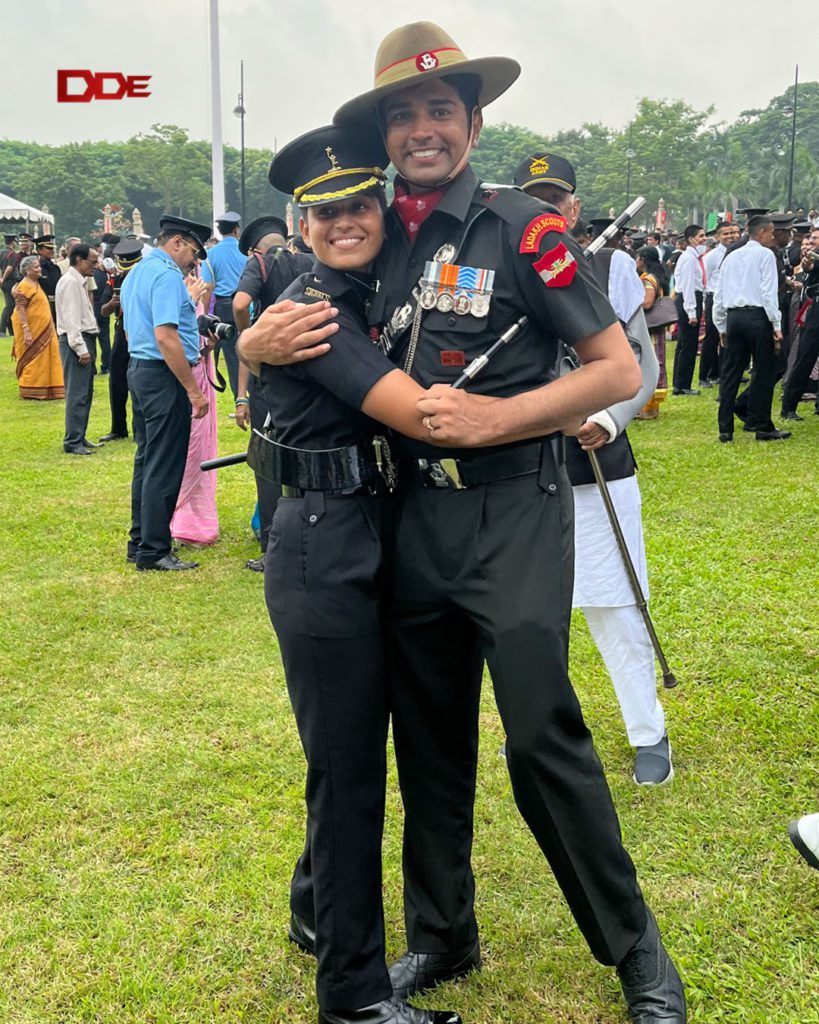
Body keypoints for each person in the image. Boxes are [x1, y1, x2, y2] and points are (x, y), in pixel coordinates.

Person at [242, 21, 685, 1024]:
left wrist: (499, 416)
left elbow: (621, 370)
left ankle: (637, 956)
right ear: (384, 132)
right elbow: (308, 343)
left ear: (474, 122)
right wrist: (253, 344)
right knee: (428, 742)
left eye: (440, 110)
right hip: (409, 520)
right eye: (404, 114)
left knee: (543, 738)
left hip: (514, 512)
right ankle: (442, 932)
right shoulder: (371, 233)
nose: (423, 130)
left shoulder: (521, 225)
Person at [261, 123, 465, 1024]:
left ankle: (317, 909)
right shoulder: (314, 312)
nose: (344, 221)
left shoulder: (374, 290)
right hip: (322, 543)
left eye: (357, 204)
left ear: (382, 206)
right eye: (323, 211)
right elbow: (415, 415)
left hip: (377, 536)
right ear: (300, 225)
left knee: (349, 755)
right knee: (347, 771)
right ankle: (351, 995)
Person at [513, 154, 671, 785]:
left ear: (573, 209)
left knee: (614, 603)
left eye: (557, 199)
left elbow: (643, 369)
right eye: (535, 199)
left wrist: (604, 418)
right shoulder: (502, 271)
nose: (547, 210)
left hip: (595, 459)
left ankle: (647, 732)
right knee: (527, 610)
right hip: (524, 464)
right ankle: (537, 729)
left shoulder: (609, 269)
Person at [121, 215, 211, 570]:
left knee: (146, 460)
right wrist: (193, 390)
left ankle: (141, 540)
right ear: (176, 243)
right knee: (164, 462)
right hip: (163, 375)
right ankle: (154, 550)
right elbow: (166, 336)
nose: (194, 261)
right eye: (192, 251)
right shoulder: (166, 276)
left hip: (141, 370)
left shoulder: (139, 272)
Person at [232, 215, 313, 571]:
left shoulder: (260, 263)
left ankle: (271, 546)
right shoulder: (307, 260)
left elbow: (238, 304)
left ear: (254, 249)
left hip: (270, 374)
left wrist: (249, 333)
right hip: (309, 373)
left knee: (267, 460)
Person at [713, 215, 790, 442]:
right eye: (772, 232)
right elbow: (768, 292)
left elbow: (719, 294)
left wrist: (721, 326)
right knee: (763, 371)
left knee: (731, 374)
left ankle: (725, 428)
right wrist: (776, 324)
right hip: (758, 317)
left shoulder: (731, 256)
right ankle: (762, 425)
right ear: (763, 232)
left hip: (734, 317)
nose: (773, 237)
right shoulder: (766, 255)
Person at [170, 272, 220, 548]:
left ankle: (200, 520)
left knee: (202, 449)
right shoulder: (176, 297)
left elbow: (196, 346)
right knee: (189, 450)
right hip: (186, 383)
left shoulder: (196, 300)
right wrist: (189, 301)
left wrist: (209, 345)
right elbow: (172, 340)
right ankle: (179, 519)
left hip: (201, 376)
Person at [55, 244, 100, 454]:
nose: (96, 265)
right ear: (79, 260)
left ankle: (79, 436)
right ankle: (73, 441)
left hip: (85, 338)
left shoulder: (78, 281)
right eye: (92, 261)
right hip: (77, 341)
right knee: (77, 393)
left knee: (86, 392)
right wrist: (80, 348)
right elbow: (71, 320)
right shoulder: (70, 282)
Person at [98, 239, 143, 441]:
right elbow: (103, 310)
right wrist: (112, 302)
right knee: (116, 382)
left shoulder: (146, 277)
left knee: (139, 383)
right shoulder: (116, 280)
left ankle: (139, 428)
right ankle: (118, 428)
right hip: (121, 335)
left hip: (141, 334)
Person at [200, 210, 245, 398]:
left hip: (224, 308)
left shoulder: (211, 255)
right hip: (247, 305)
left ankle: (240, 399)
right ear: (236, 230)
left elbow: (208, 288)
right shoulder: (247, 252)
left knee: (232, 358)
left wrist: (205, 315)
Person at [10, 254, 64, 400]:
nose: (40, 269)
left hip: (45, 328)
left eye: (39, 266)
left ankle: (49, 388)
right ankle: (31, 388)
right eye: (36, 267)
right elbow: (20, 308)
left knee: (48, 357)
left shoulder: (35, 283)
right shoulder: (25, 285)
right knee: (34, 359)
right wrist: (26, 329)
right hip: (32, 330)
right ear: (27, 270)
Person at [780, 226, 819, 421]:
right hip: (816, 312)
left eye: (816, 239)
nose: (813, 242)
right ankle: (788, 405)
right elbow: (807, 266)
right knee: (805, 357)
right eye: (812, 238)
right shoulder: (811, 256)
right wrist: (808, 261)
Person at [634, 246, 671, 419]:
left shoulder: (648, 278)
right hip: (657, 326)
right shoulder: (658, 276)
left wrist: (630, 302)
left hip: (649, 327)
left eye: (637, 258)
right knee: (657, 361)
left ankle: (647, 409)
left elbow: (647, 303)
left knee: (648, 362)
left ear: (643, 259)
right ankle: (652, 408)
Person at [672, 224, 706, 395]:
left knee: (684, 343)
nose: (704, 239)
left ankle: (680, 383)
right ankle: (682, 384)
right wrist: (691, 312)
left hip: (692, 299)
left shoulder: (694, 258)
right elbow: (688, 286)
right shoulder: (689, 258)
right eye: (701, 236)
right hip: (689, 300)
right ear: (692, 239)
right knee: (688, 345)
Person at [700, 221, 735, 388]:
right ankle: (704, 375)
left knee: (728, 337)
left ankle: (722, 372)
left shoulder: (738, 253)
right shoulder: (712, 256)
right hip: (714, 297)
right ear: (718, 237)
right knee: (712, 337)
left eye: (733, 233)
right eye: (726, 234)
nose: (731, 236)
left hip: (731, 298)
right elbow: (703, 278)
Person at [37, 235, 62, 323]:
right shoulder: (36, 268)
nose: (52, 251)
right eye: (48, 248)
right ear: (40, 250)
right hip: (41, 305)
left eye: (52, 248)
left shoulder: (55, 268)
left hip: (56, 305)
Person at [0, 234, 19, 335]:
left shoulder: (1, 252)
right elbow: (10, 268)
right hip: (10, 280)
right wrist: (3, 278)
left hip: (4, 282)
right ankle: (2, 329)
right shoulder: (12, 254)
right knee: (10, 306)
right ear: (12, 242)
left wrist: (1, 278)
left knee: (11, 306)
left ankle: (11, 330)